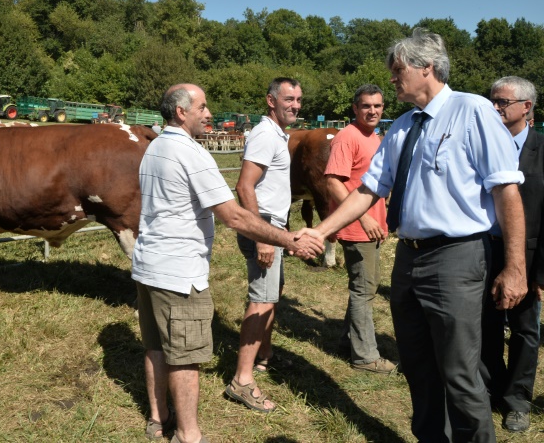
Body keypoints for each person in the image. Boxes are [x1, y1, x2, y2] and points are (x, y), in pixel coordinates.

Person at [296, 28, 526, 443]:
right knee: (418, 366)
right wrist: (321, 230)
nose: (392, 78)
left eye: (398, 70)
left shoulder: (472, 111)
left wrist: (515, 267)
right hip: (409, 257)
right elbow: (367, 190)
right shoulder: (403, 126)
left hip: (457, 256)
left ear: (427, 68)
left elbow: (506, 191)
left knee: (459, 372)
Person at [132, 83, 323, 443]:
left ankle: (159, 418)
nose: (209, 114)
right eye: (202, 107)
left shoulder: (155, 146)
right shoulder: (191, 153)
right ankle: (188, 435)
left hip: (148, 265)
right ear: (181, 112)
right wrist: (287, 239)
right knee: (185, 356)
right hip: (179, 273)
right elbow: (233, 215)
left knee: (156, 346)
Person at [228, 77, 301, 413]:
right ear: (271, 101)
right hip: (264, 227)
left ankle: (263, 356)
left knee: (272, 293)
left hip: (273, 225)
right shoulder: (264, 135)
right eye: (288, 99)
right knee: (261, 299)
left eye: (298, 100)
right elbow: (245, 186)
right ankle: (241, 381)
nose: (295, 105)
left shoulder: (276, 134)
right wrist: (262, 237)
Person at [480, 76, 544, 433]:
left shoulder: (542, 150)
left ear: (526, 107)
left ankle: (518, 401)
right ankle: (491, 388)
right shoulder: (483, 144)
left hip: (528, 257)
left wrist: (540, 273)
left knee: (524, 329)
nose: (495, 107)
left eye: (502, 102)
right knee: (485, 323)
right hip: (483, 250)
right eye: (492, 100)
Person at [324, 84, 395, 374]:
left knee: (366, 285)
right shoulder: (348, 137)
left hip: (372, 224)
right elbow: (333, 182)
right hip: (357, 226)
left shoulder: (373, 136)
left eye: (377, 106)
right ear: (355, 108)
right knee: (364, 289)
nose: (372, 111)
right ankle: (365, 357)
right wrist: (363, 218)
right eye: (366, 105)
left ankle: (348, 342)